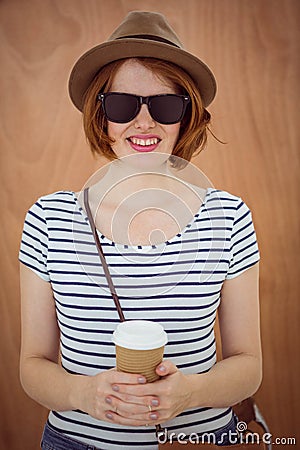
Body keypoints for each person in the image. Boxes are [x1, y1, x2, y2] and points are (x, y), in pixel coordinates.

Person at [19, 11, 262, 450]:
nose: (144, 123)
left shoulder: (227, 216)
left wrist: (190, 393)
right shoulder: (50, 219)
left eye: (165, 105)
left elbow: (249, 364)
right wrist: (82, 394)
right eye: (123, 105)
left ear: (186, 116)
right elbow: (32, 365)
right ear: (102, 113)